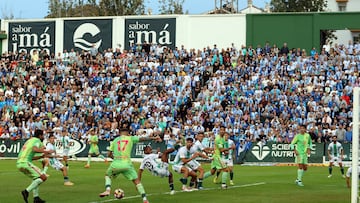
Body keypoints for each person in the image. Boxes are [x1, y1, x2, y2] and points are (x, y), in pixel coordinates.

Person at [98, 127, 161, 203]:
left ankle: (107, 190)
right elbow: (143, 139)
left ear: (119, 133)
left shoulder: (115, 140)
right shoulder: (130, 138)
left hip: (116, 164)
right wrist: (154, 138)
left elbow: (109, 154)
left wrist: (114, 158)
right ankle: (145, 199)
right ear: (127, 133)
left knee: (107, 175)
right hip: (127, 164)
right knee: (137, 181)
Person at [17, 129, 54, 203]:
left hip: (19, 163)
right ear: (40, 136)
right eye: (42, 135)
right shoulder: (37, 140)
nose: (43, 137)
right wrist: (46, 151)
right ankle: (26, 191)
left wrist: (41, 156)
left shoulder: (29, 141)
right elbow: (35, 149)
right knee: (43, 177)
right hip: (25, 162)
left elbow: (32, 157)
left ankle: (36, 198)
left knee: (36, 178)